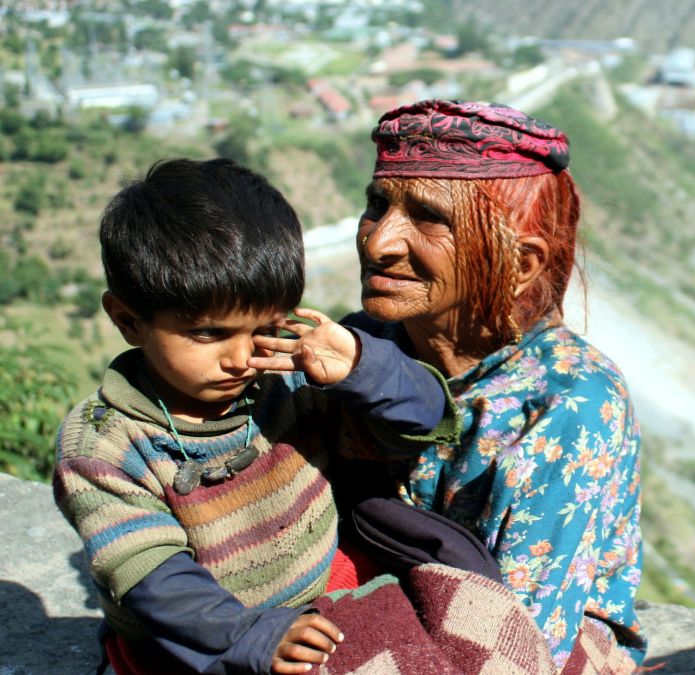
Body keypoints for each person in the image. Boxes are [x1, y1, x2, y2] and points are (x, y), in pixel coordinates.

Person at [53, 158, 459, 674]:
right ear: (128, 319)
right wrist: (252, 635)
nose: (242, 358)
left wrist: (363, 368)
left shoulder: (286, 376)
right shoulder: (105, 446)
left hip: (322, 598)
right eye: (208, 334)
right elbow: (156, 582)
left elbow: (424, 422)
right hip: (197, 644)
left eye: (265, 327)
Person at [344, 99, 645, 667]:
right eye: (376, 205)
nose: (378, 242)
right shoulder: (364, 348)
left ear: (521, 264)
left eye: (429, 218)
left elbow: (522, 645)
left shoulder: (569, 406)